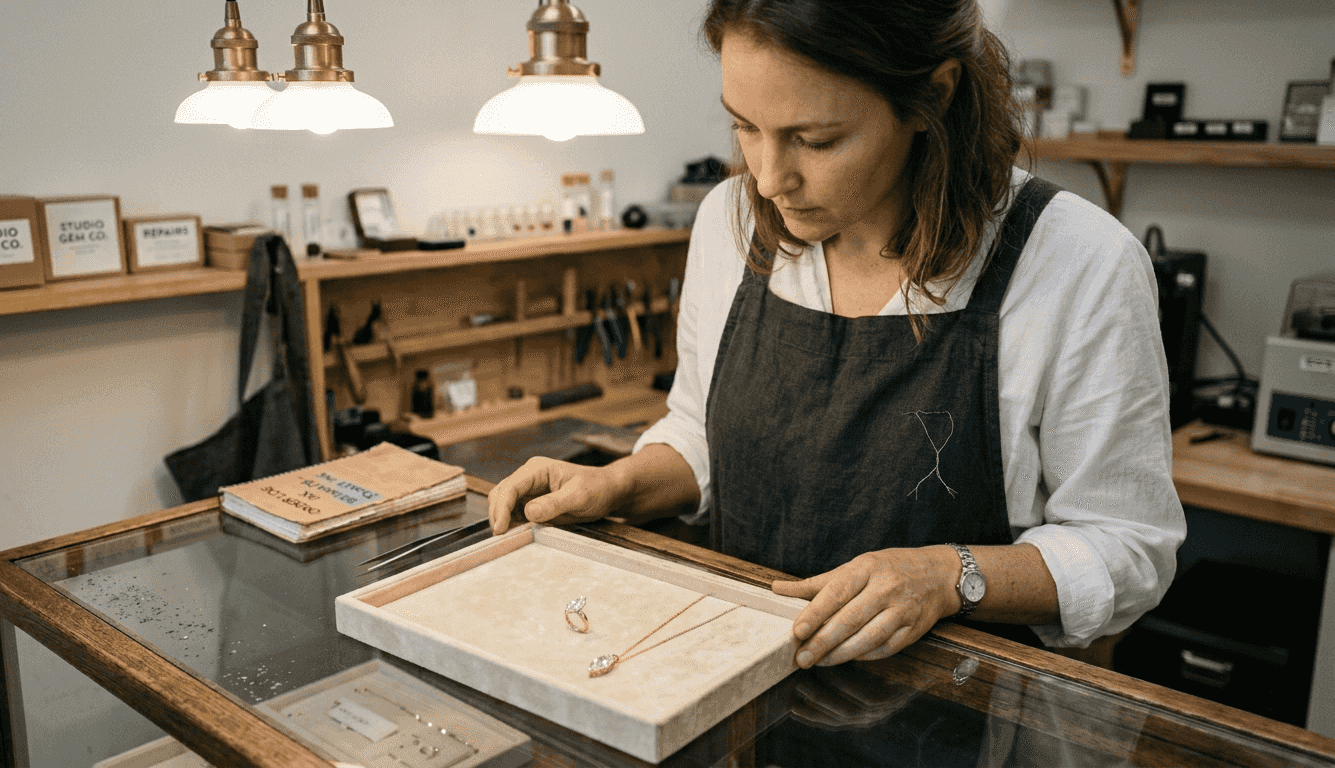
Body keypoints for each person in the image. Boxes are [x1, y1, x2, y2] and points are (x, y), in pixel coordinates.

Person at [487, 0, 1185, 672]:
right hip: (738, 677)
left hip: (952, 720)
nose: (767, 178)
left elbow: (1127, 548)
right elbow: (704, 432)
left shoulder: (1079, 263)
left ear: (933, 97)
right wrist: (617, 485)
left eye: (814, 140)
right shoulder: (728, 223)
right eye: (745, 128)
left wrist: (949, 575)